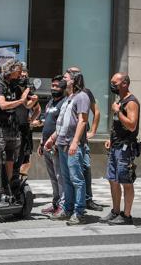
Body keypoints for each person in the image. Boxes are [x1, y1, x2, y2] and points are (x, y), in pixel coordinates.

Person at [43, 69, 89, 225]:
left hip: (72, 145)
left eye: (65, 77)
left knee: (77, 179)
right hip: (61, 144)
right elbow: (61, 123)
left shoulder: (82, 97)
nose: (63, 80)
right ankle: (67, 209)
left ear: (73, 81)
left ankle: (79, 211)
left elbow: (83, 121)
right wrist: (52, 139)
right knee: (67, 179)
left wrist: (75, 142)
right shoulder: (68, 98)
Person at [100, 73, 140, 225]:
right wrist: (110, 139)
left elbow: (132, 125)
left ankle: (127, 215)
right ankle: (116, 211)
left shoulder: (131, 102)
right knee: (113, 180)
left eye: (114, 83)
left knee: (126, 182)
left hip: (125, 148)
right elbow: (117, 125)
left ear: (124, 83)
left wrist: (117, 111)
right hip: (115, 146)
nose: (112, 85)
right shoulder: (120, 101)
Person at [0, 60, 32, 187]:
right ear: (10, 71)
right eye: (18, 71)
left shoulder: (13, 87)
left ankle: (10, 188)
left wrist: (29, 94)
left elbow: (26, 104)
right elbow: (3, 105)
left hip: (13, 128)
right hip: (0, 128)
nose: (19, 74)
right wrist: (21, 100)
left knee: (11, 159)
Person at [67, 66, 103, 212]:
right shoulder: (67, 93)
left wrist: (93, 131)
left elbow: (97, 112)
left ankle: (87, 199)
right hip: (66, 138)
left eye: (76, 72)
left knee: (85, 168)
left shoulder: (85, 93)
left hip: (81, 139)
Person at [37, 76, 67, 215]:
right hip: (46, 145)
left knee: (60, 177)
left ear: (63, 88)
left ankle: (63, 205)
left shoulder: (64, 103)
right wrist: (41, 142)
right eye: (53, 85)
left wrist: (52, 140)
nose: (54, 88)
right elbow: (46, 124)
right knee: (52, 177)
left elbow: (61, 126)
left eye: (57, 86)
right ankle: (55, 203)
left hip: (56, 146)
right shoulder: (50, 103)